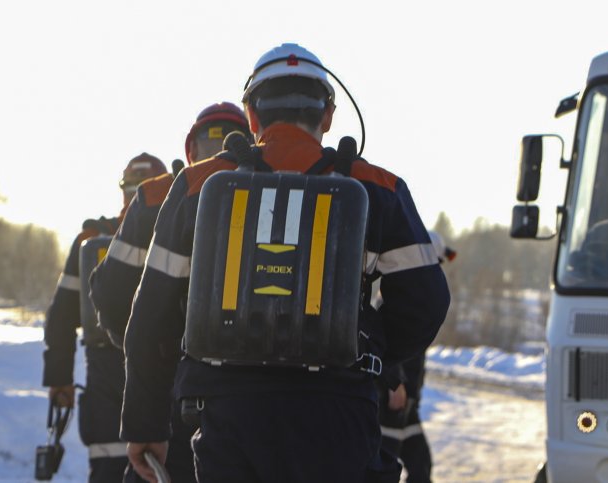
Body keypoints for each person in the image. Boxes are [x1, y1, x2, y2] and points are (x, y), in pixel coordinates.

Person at [121, 43, 450, 483]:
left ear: (252, 116)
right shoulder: (378, 187)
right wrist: (367, 350)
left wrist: (145, 423)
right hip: (339, 415)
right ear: (328, 115)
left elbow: (150, 317)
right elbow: (426, 302)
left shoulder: (198, 185)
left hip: (226, 416)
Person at [87, 102, 249, 483]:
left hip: (170, 390)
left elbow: (109, 296)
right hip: (249, 399)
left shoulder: (156, 197)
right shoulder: (281, 192)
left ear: (190, 149)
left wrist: (143, 350)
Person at [42, 153, 166, 482]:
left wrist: (60, 379)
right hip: (125, 383)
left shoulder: (181, 233)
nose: (135, 195)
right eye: (131, 188)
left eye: (142, 188)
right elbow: (62, 315)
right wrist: (59, 379)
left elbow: (60, 317)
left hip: (141, 383)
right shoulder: (91, 240)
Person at [377, 231, 456, 483]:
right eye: (438, 263)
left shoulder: (418, 299)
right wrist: (395, 383)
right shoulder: (397, 300)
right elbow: (384, 346)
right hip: (391, 403)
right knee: (381, 470)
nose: (439, 270)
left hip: (407, 406)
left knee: (420, 465)